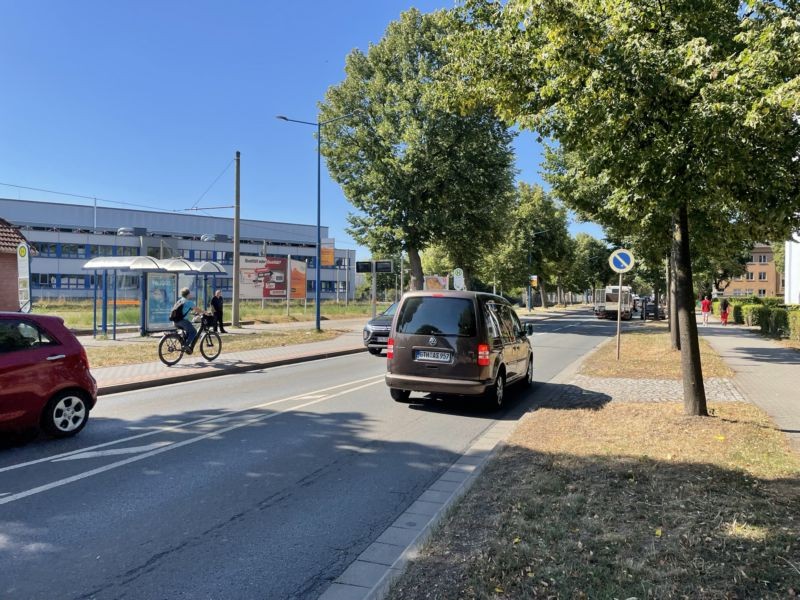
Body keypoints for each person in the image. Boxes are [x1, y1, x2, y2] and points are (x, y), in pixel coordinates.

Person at [174, 287, 201, 352]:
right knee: (194, 332)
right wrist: (206, 313)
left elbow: (184, 310)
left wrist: (193, 313)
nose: (190, 294)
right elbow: (198, 309)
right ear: (188, 294)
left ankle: (184, 343)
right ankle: (185, 345)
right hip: (183, 321)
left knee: (188, 331)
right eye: (190, 293)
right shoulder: (189, 302)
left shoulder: (180, 300)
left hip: (176, 321)